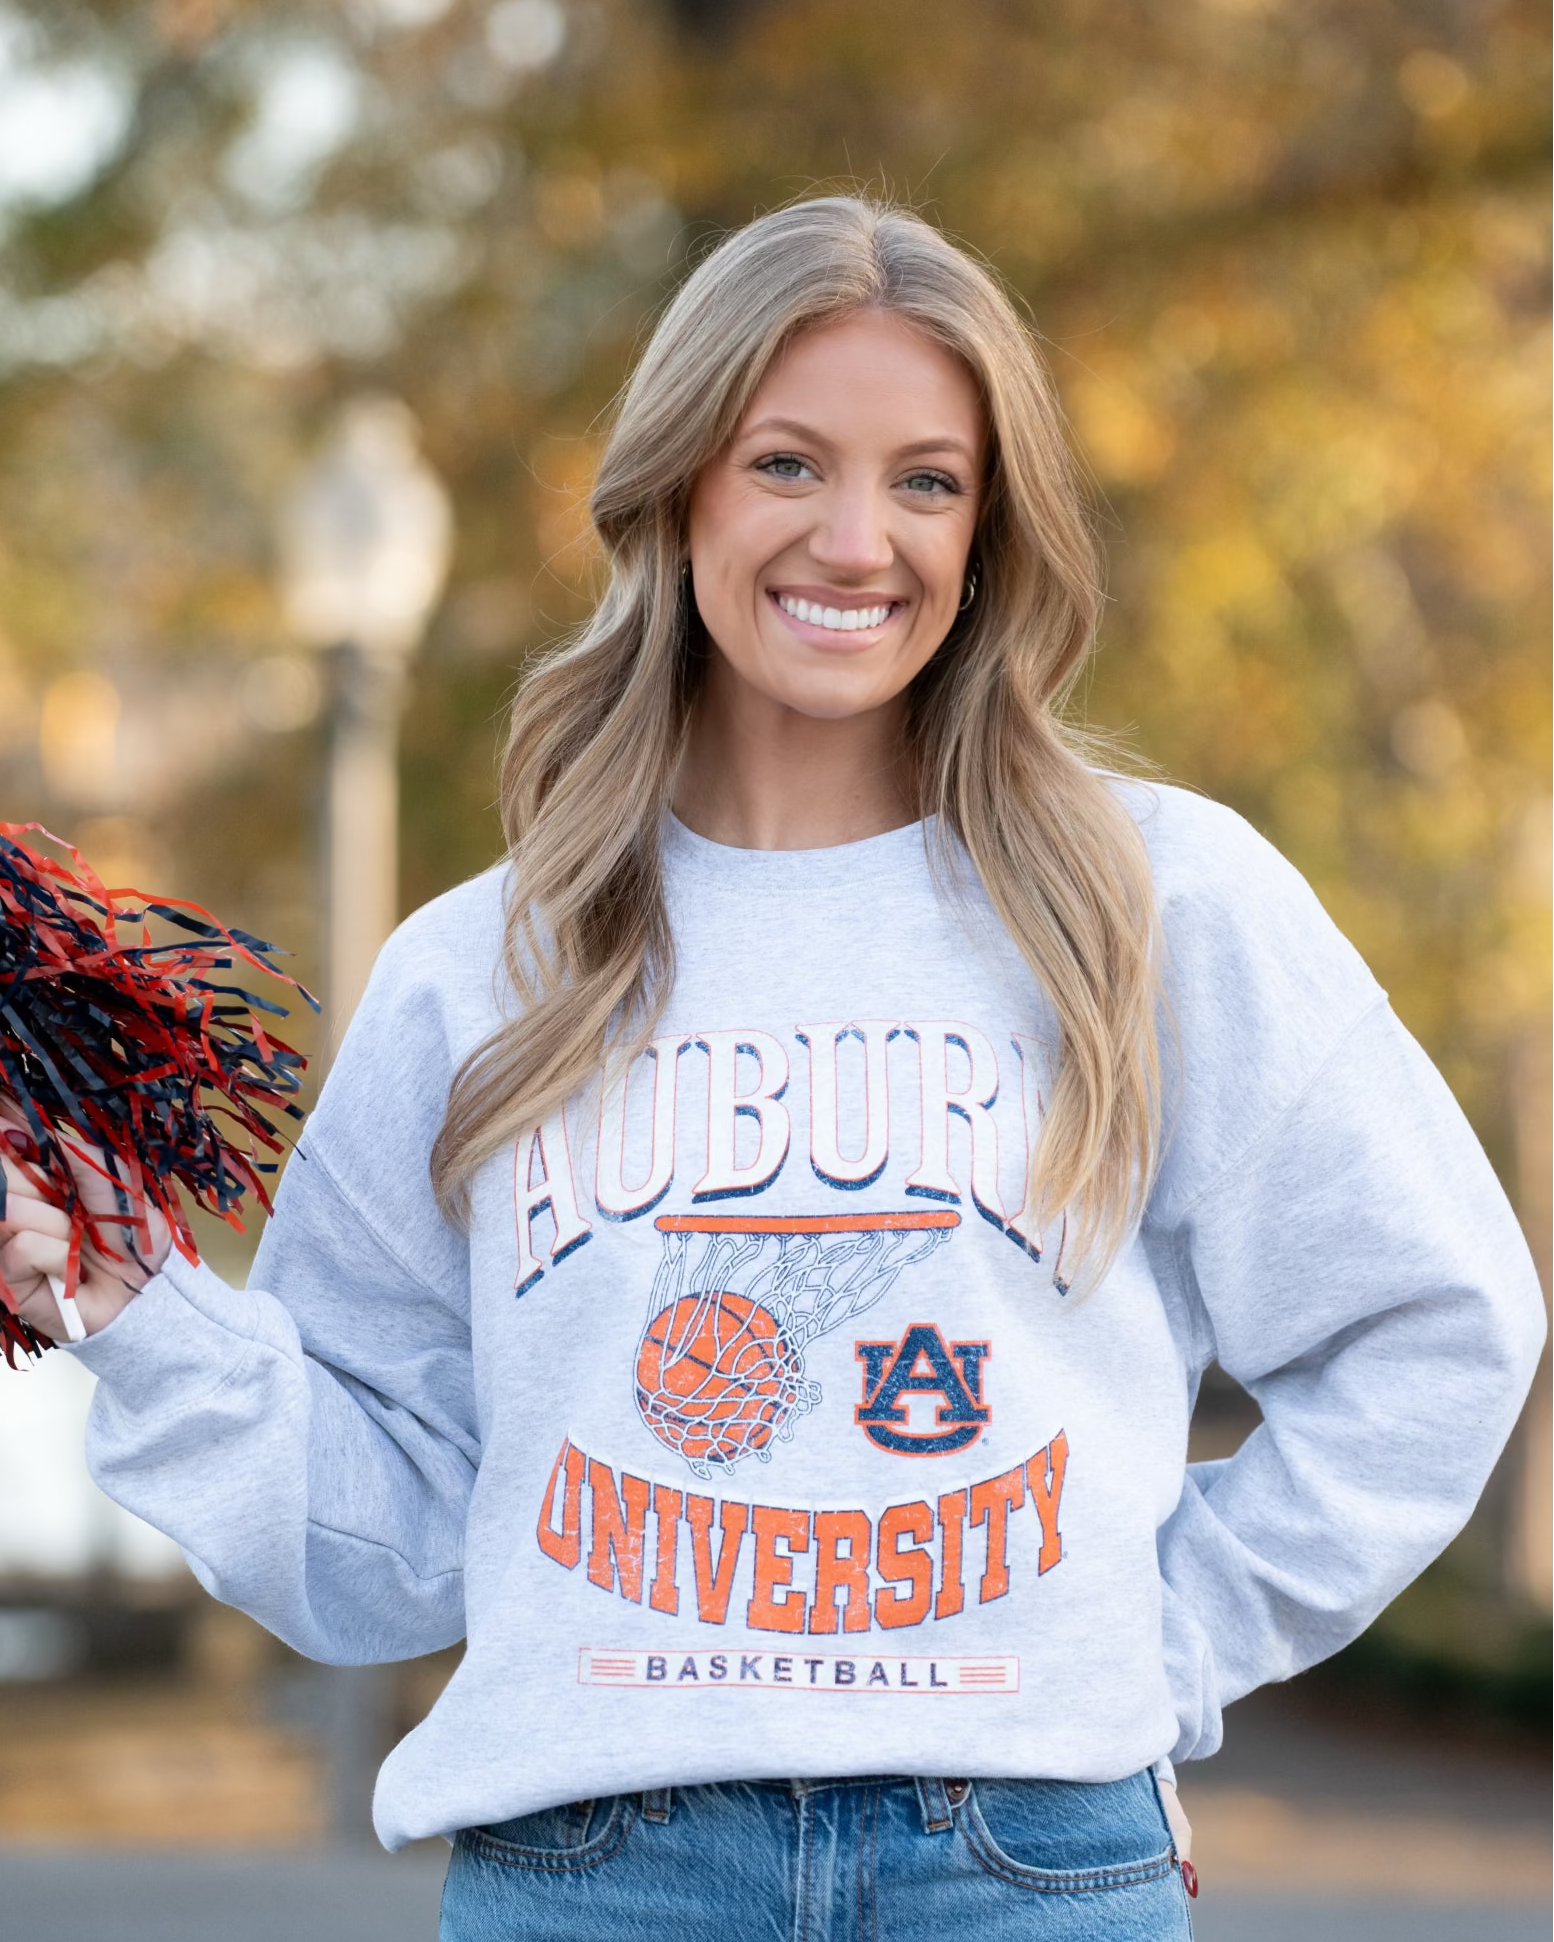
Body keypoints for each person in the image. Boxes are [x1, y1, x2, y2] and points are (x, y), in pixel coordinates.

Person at [0, 197, 1543, 1941]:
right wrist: (139, 1307)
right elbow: (391, 1546)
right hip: (597, 1877)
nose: (856, 540)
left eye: (927, 481)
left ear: (990, 527)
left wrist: (1155, 1641)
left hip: (1026, 1873)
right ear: (680, 492)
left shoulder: (1155, 904)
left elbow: (1437, 1326)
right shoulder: (480, 968)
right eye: (787, 462)